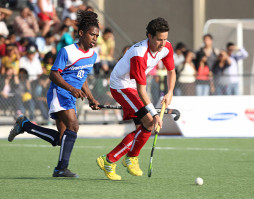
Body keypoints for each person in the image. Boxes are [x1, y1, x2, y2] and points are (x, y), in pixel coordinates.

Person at [8, 11, 101, 178]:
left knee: (61, 138)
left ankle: (25, 125)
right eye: (92, 34)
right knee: (73, 127)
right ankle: (60, 169)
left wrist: (91, 98)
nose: (95, 38)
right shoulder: (67, 51)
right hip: (60, 92)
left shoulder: (93, 55)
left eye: (97, 36)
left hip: (71, 96)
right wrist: (72, 89)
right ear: (81, 33)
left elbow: (83, 77)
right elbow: (54, 74)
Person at [96, 17, 176, 181]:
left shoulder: (166, 47)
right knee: (148, 122)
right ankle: (118, 159)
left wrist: (170, 91)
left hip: (133, 86)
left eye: (165, 39)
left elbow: (171, 71)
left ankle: (114, 159)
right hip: (122, 86)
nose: (162, 44)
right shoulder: (139, 54)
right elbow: (141, 89)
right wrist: (154, 113)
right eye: (159, 40)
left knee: (143, 126)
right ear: (149, 36)